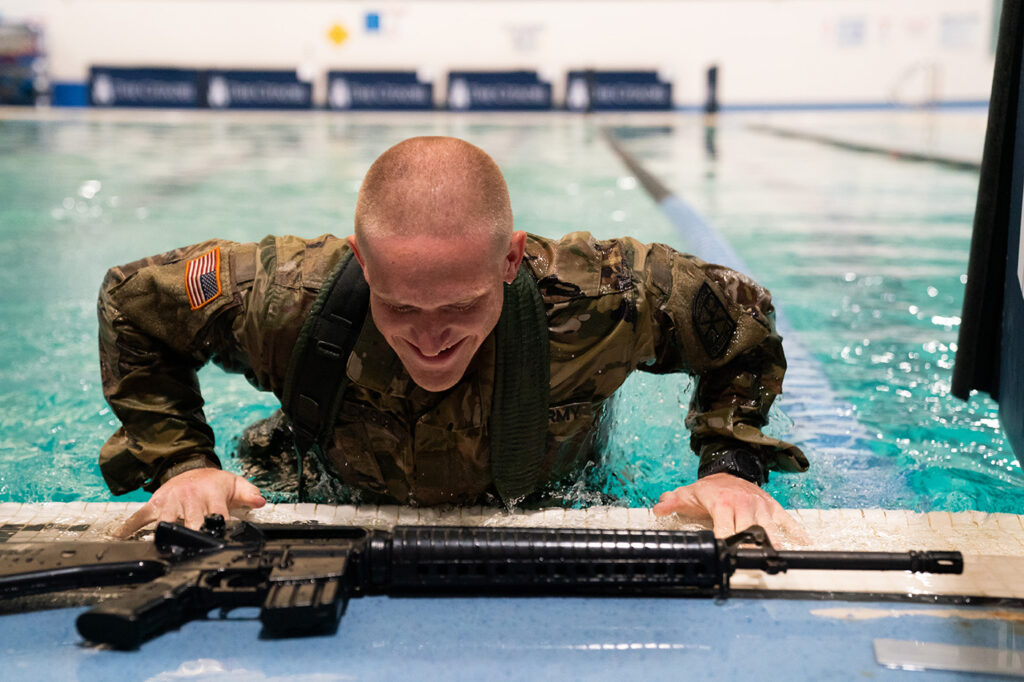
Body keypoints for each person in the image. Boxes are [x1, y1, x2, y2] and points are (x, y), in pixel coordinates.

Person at [99, 136, 809, 539]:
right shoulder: (287, 297)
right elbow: (133, 302)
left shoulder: (597, 299)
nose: (433, 338)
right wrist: (182, 466)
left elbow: (739, 312)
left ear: (509, 260)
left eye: (463, 305)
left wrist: (730, 466)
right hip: (309, 481)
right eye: (402, 306)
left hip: (553, 495)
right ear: (361, 260)